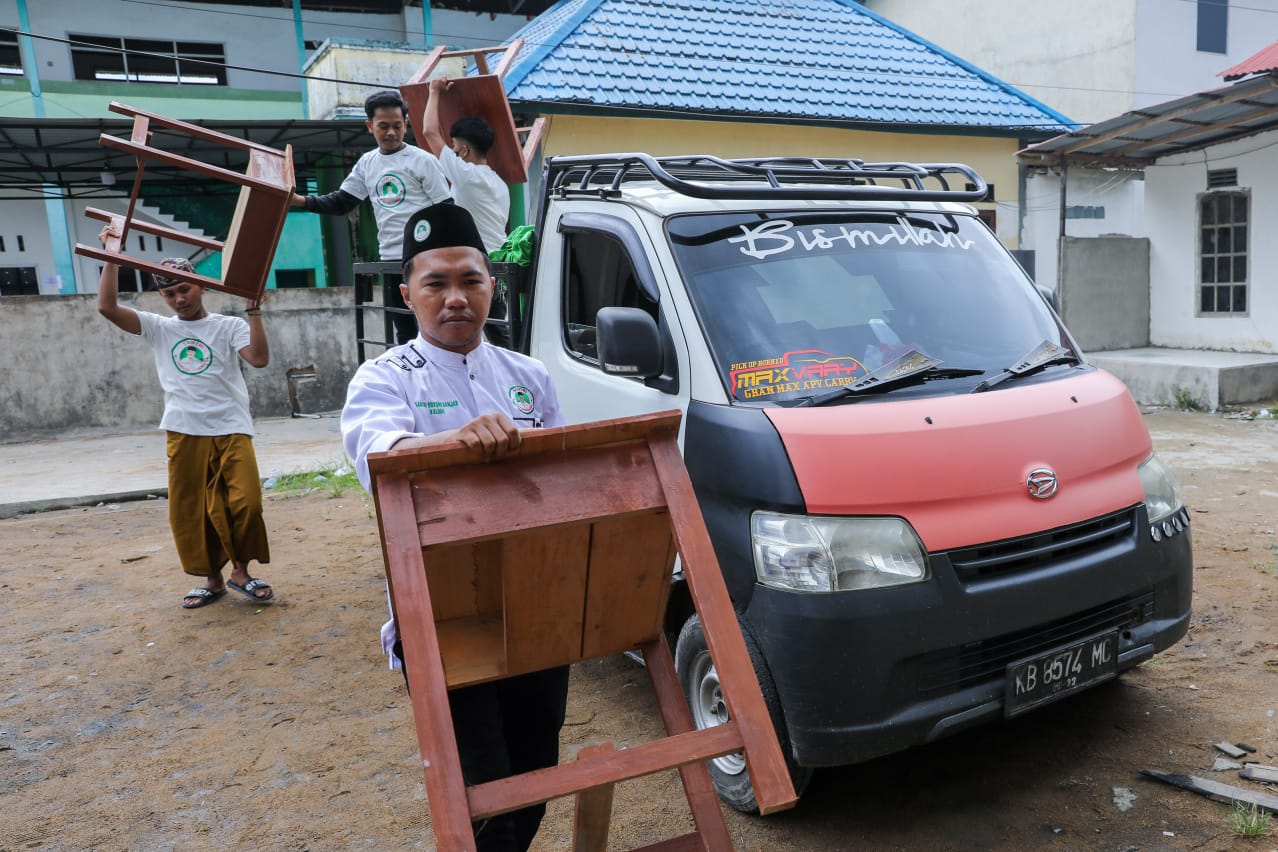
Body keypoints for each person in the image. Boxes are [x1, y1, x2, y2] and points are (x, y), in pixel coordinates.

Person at [342, 202, 565, 852]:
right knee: (479, 791)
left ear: (492, 284)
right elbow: (378, 459)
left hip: (534, 607)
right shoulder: (383, 379)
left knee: (535, 771)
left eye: (469, 279)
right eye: (435, 283)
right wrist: (451, 442)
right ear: (407, 291)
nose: (455, 297)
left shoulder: (530, 378)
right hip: (440, 617)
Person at [94, 223, 275, 610]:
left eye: (184, 289)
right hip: (183, 429)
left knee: (246, 503)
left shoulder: (228, 326)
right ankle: (213, 580)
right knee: (191, 511)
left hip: (231, 426)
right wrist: (112, 255)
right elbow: (107, 307)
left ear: (201, 286)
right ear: (162, 297)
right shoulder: (159, 328)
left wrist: (254, 311)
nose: (178, 299)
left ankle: (241, 570)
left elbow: (258, 359)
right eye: (169, 293)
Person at [291, 89, 451, 345]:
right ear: (369, 126)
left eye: (397, 126)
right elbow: (342, 201)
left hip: (425, 259)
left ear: (405, 125)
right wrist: (302, 201)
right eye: (383, 126)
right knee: (405, 333)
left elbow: (446, 209)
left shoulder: (422, 161)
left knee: (436, 326)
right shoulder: (367, 163)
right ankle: (410, 381)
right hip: (390, 261)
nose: (391, 133)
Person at [423, 76, 511, 254]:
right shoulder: (500, 183)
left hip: (476, 257)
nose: (451, 151)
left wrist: (434, 91)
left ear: (464, 151)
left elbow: (429, 132)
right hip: (497, 258)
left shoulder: (466, 175)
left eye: (453, 147)